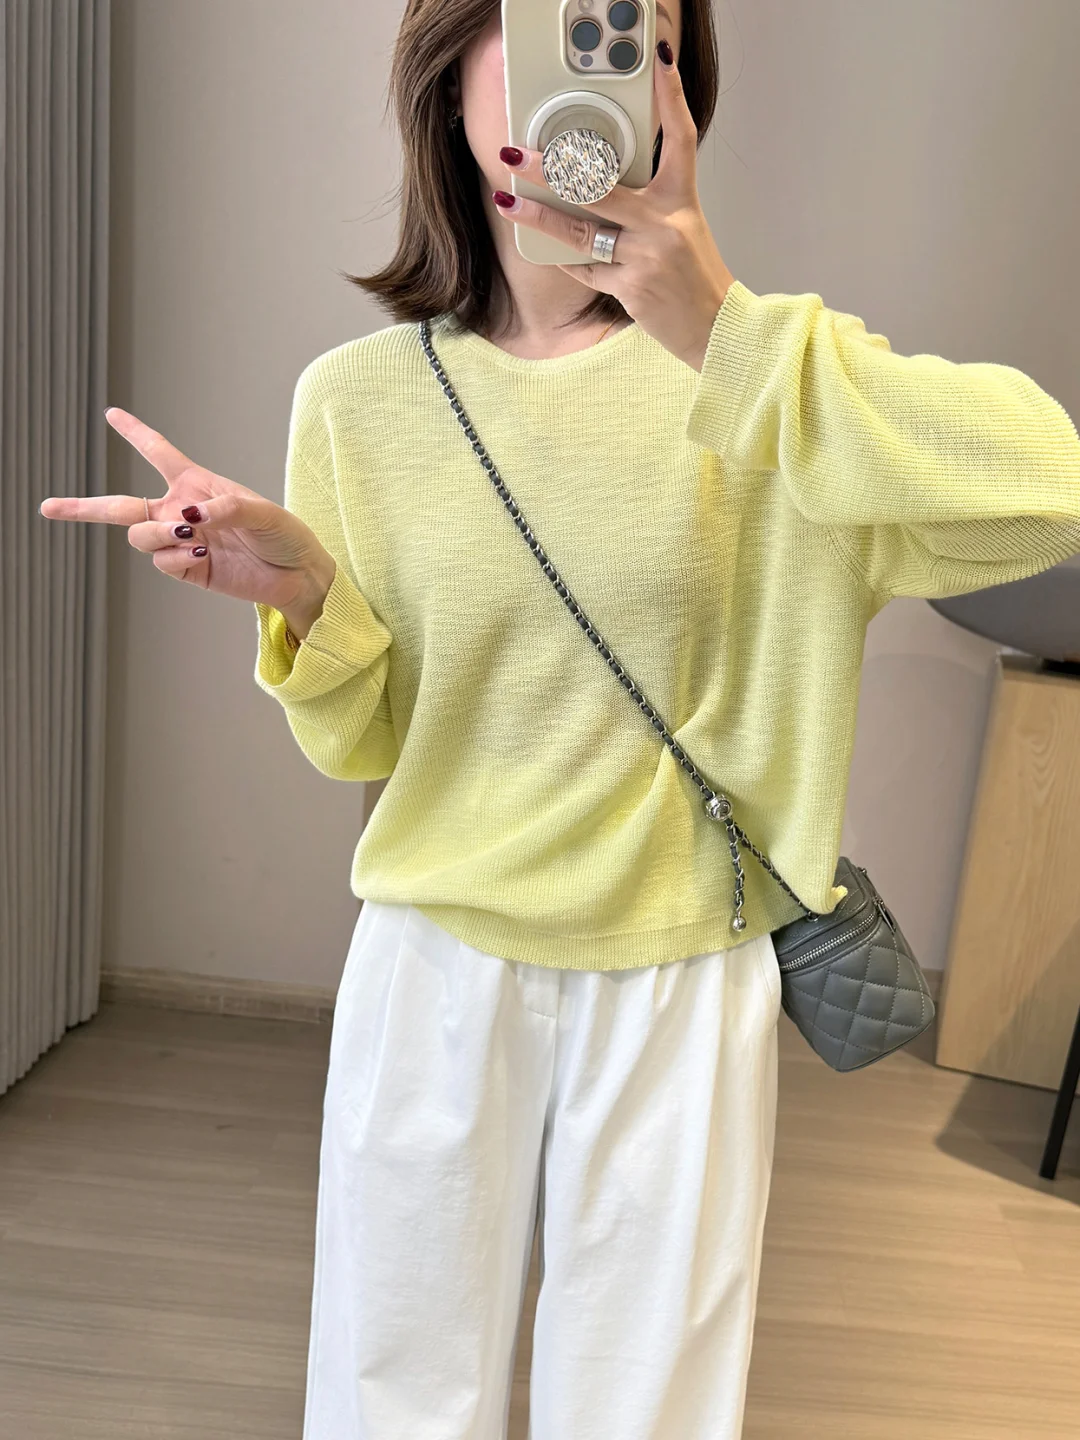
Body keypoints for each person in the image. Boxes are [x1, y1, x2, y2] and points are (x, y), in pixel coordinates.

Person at [40, 1, 1080, 1436]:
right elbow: (361, 744)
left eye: (637, 30)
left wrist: (722, 329)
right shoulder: (358, 401)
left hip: (681, 974)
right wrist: (311, 603)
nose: (592, 58)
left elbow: (1050, 493)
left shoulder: (768, 386)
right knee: (392, 1394)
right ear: (450, 63)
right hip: (435, 959)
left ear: (679, 86)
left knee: (647, 1408)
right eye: (551, 16)